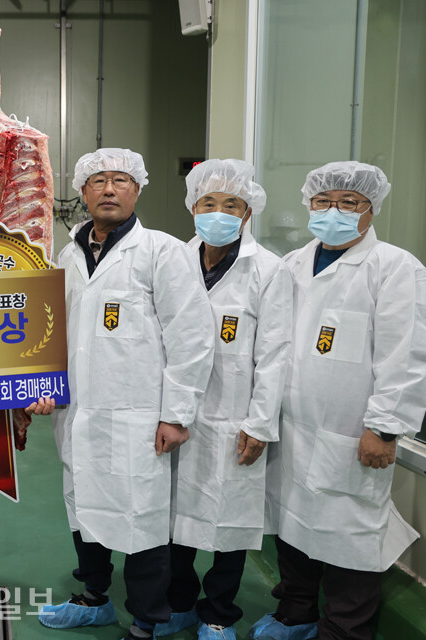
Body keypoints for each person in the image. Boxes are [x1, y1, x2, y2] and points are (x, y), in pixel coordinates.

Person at [250, 161, 426, 640]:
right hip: (292, 426)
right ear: (308, 204)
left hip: (352, 432)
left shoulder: (395, 268)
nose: (334, 211)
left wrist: (385, 426)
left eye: (349, 202)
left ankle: (344, 630)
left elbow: (406, 355)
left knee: (350, 537)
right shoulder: (292, 264)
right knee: (291, 524)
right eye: (323, 201)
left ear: (371, 209)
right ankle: (296, 613)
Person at [41, 148, 215, 640]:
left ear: (137, 189)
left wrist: (176, 414)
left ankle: (146, 621)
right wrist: (42, 388)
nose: (109, 189)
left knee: (142, 521)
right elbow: (53, 334)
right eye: (98, 181)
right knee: (83, 508)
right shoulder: (67, 256)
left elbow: (192, 337)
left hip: (137, 418)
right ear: (83, 192)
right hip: (78, 412)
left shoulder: (162, 252)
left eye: (120, 180)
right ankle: (94, 598)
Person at [155, 160, 293, 640]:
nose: (218, 213)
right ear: (192, 208)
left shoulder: (268, 270)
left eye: (231, 205)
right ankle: (178, 604)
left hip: (236, 414)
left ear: (247, 213)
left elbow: (275, 354)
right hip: (177, 411)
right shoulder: (172, 260)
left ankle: (218, 612)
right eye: (208, 203)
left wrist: (260, 423)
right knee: (173, 518)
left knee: (229, 519)